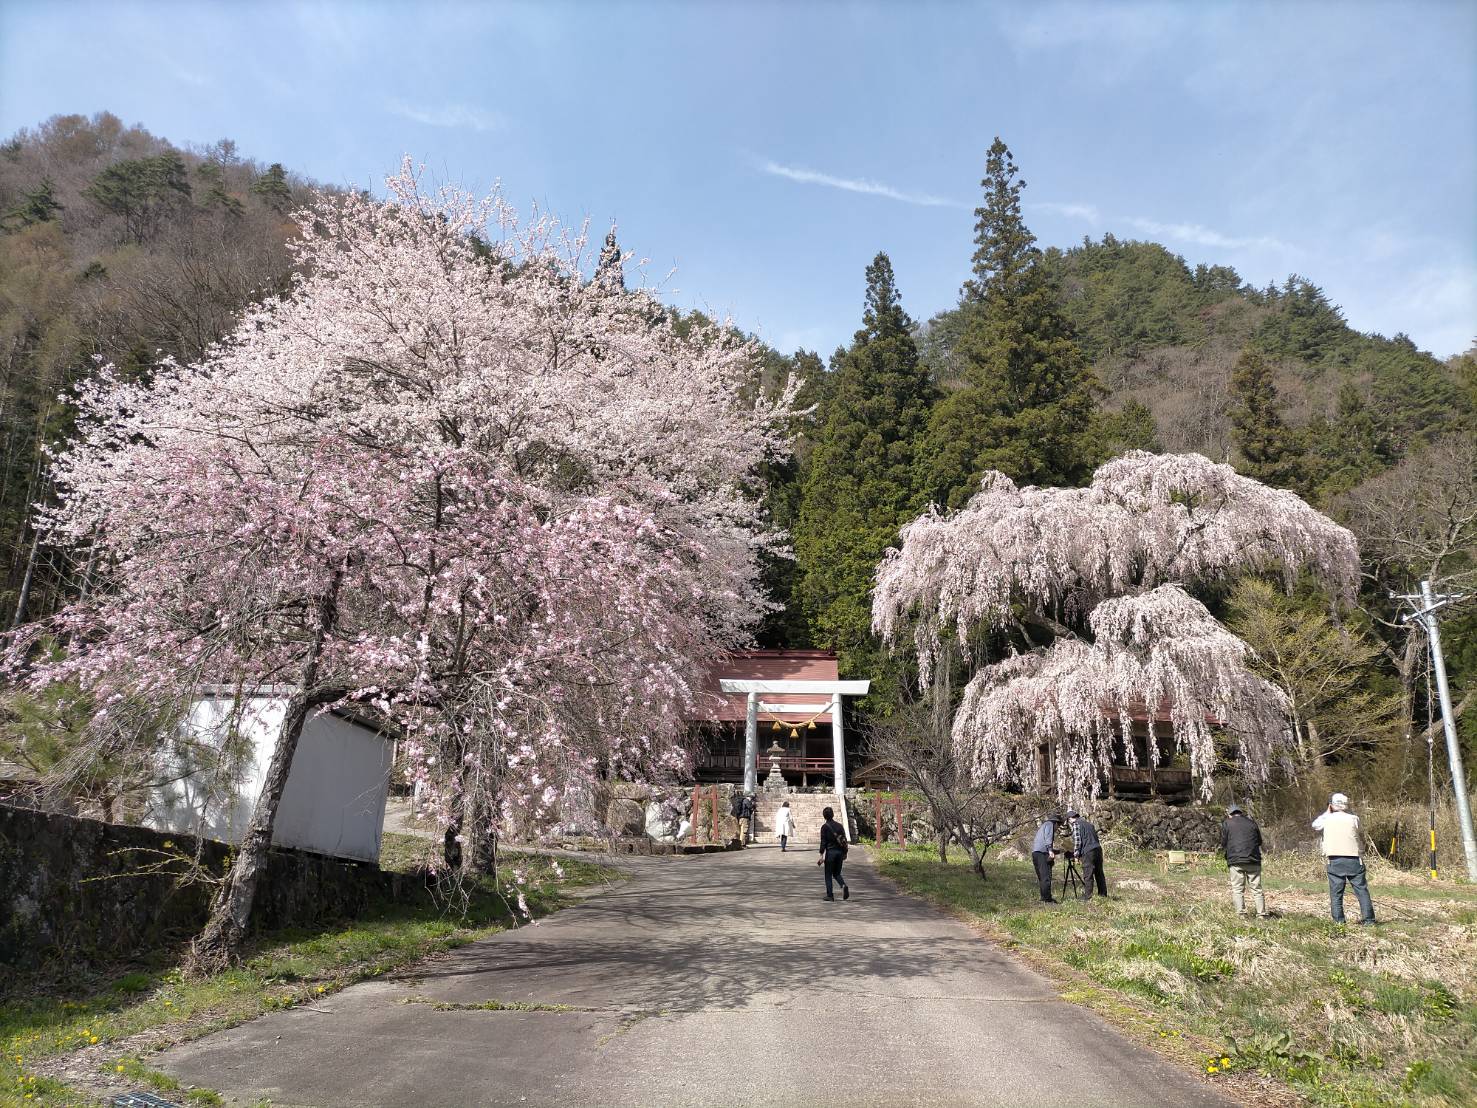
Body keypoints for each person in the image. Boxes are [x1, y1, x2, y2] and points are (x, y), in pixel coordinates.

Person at [1312, 792, 1375, 925]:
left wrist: (1327, 811)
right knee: (1362, 891)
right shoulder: (1354, 819)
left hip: (1334, 859)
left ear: (1332, 805)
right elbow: (1359, 831)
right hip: (1354, 859)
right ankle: (1369, 920)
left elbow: (1315, 825)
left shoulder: (1326, 819)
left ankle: (1339, 922)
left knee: (1336, 893)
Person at [1220, 803, 1267, 919]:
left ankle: (1241, 915)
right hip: (1253, 860)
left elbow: (1223, 843)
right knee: (1257, 889)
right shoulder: (1252, 823)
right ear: (1241, 813)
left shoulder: (1227, 823)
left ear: (1230, 815)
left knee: (1237, 888)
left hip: (1235, 861)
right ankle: (1261, 914)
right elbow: (1259, 841)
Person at [1068, 809, 1107, 899]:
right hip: (1097, 849)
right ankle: (1103, 894)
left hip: (1088, 851)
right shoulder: (1089, 824)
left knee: (1088, 873)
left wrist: (1076, 854)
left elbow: (1078, 841)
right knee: (1099, 873)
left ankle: (1087, 896)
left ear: (1070, 819)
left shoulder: (1076, 825)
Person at [817, 806, 850, 900]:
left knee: (828, 874)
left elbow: (823, 842)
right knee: (837, 873)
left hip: (830, 853)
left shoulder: (824, 827)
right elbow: (844, 840)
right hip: (839, 852)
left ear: (824, 816)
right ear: (833, 815)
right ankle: (843, 885)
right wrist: (845, 852)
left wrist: (821, 855)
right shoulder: (840, 826)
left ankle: (830, 895)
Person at [1031, 814, 1062, 903]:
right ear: (1056, 823)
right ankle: (1047, 899)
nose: (1057, 829)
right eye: (1058, 826)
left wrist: (1059, 851)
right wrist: (1051, 851)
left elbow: (1044, 844)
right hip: (1042, 854)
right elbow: (1048, 839)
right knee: (1046, 877)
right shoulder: (1049, 824)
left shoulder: (1043, 827)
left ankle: (1044, 897)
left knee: (1042, 877)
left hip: (1036, 853)